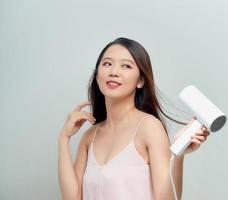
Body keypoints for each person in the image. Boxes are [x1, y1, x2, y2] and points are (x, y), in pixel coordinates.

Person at [58, 37, 210, 200]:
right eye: (107, 63)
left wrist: (178, 155)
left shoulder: (149, 127)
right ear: (97, 76)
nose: (114, 72)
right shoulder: (90, 136)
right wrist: (63, 138)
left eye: (126, 66)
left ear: (140, 80)